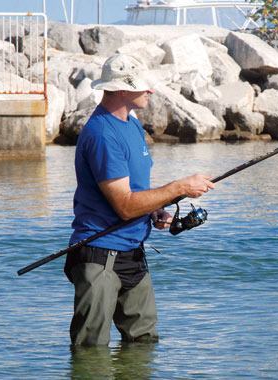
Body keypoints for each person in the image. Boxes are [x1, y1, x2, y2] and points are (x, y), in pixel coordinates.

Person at [64, 54, 215, 346]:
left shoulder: (132, 126)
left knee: (144, 343)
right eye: (143, 86)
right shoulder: (102, 134)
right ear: (121, 89)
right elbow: (124, 206)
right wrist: (179, 187)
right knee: (90, 351)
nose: (151, 91)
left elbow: (134, 190)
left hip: (132, 252)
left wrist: (155, 210)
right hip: (99, 255)